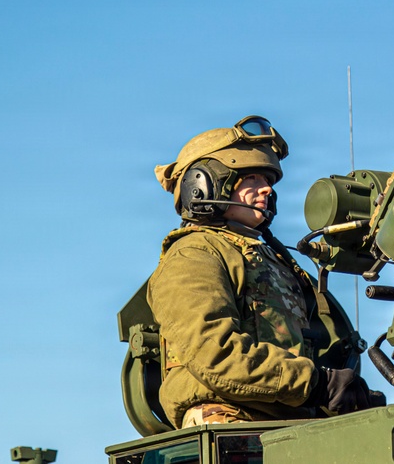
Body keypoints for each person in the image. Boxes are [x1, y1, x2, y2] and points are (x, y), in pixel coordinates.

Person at [148, 115, 371, 428]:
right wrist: (315, 383)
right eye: (252, 178)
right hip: (230, 420)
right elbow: (215, 354)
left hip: (289, 420)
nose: (267, 189)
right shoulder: (194, 254)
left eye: (268, 180)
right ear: (203, 185)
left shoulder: (272, 259)